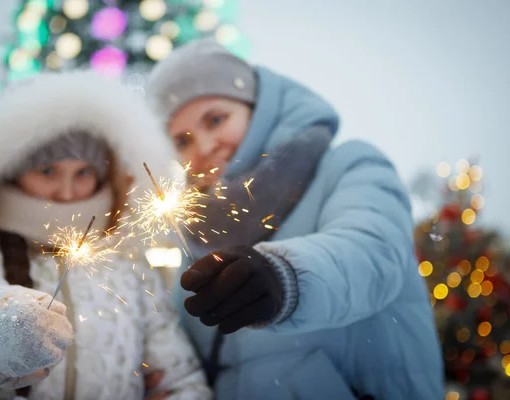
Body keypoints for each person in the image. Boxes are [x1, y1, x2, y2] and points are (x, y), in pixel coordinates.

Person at [146, 39, 444, 399]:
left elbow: (373, 252)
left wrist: (284, 276)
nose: (205, 146)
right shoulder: (195, 231)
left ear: (259, 107)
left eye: (215, 119)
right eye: (182, 140)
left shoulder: (348, 165)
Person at [0, 71, 212, 400]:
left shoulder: (127, 264)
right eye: (47, 171)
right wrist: (2, 326)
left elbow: (178, 376)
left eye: (82, 173)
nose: (67, 192)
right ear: (11, 173)